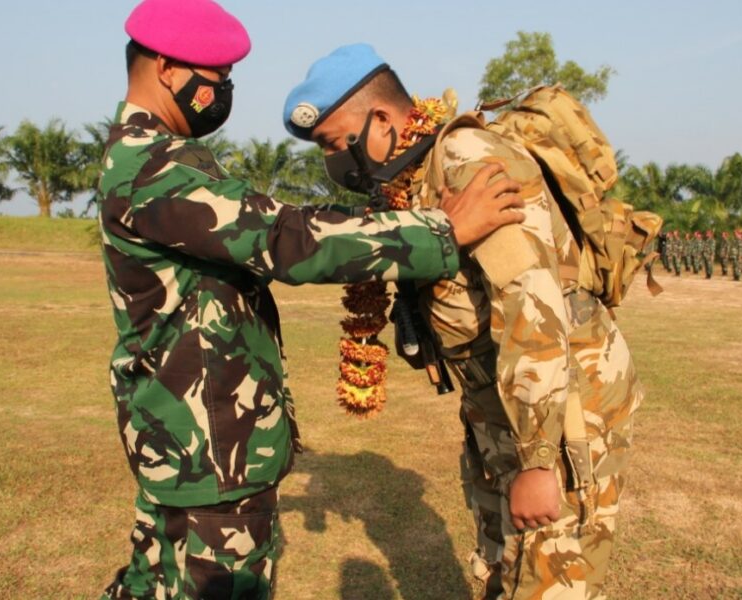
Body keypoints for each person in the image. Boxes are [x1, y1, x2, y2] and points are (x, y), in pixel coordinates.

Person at [97, 4, 526, 599]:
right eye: (216, 81)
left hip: (190, 444)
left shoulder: (155, 158)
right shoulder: (152, 169)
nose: (222, 95)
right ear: (168, 69)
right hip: (207, 453)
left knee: (154, 586)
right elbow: (283, 239)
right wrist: (440, 233)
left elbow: (273, 224)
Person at [284, 44, 644, 599]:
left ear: (382, 120)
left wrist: (540, 463)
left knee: (552, 580)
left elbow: (534, 307)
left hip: (559, 408)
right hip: (498, 405)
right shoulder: (414, 182)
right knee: (500, 568)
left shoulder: (466, 161)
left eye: (336, 144)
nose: (334, 162)